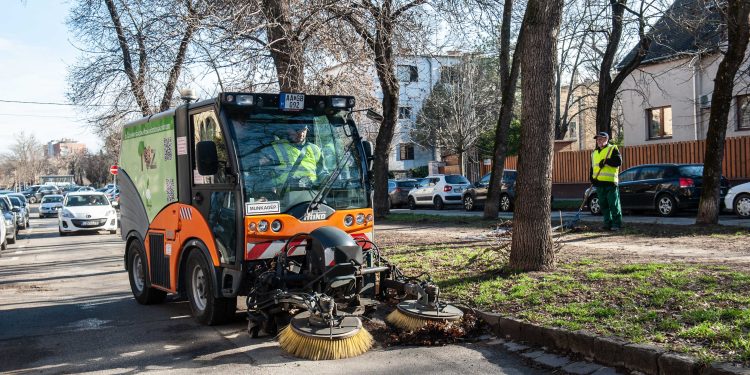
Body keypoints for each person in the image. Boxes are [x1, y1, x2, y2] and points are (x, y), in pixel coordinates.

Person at [262, 124, 326, 190]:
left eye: (304, 130)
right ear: (288, 129)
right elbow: (263, 175)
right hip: (284, 196)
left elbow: (322, 173)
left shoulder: (315, 149)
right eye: (296, 130)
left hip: (313, 194)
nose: (301, 133)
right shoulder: (275, 148)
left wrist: (328, 180)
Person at [590, 131, 623, 231]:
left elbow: (618, 162)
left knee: (613, 204)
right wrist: (592, 179)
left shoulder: (612, 149)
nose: (598, 141)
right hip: (599, 183)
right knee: (603, 205)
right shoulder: (594, 153)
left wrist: (606, 161)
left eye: (600, 139)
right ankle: (607, 223)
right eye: (597, 139)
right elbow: (592, 168)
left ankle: (617, 224)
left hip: (610, 182)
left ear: (606, 139)